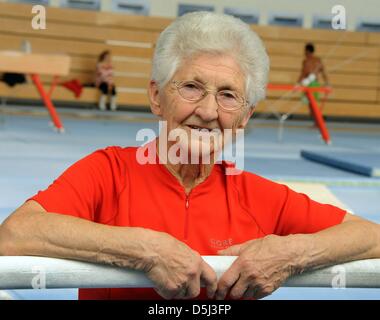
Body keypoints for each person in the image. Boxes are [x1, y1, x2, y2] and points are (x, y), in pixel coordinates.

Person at [0, 12, 379, 301]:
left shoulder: (257, 196)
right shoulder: (108, 173)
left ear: (244, 117)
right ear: (156, 97)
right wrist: (144, 251)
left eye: (228, 95)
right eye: (192, 87)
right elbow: (15, 235)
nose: (209, 110)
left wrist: (290, 253)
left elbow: (371, 238)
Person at [297, 43, 330, 108]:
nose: (304, 53)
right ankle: (316, 116)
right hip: (315, 84)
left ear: (307, 51)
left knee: (307, 103)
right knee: (313, 104)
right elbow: (323, 73)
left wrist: (297, 83)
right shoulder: (318, 60)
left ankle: (314, 116)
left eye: (305, 51)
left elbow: (303, 73)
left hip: (308, 84)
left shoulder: (306, 61)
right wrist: (327, 83)